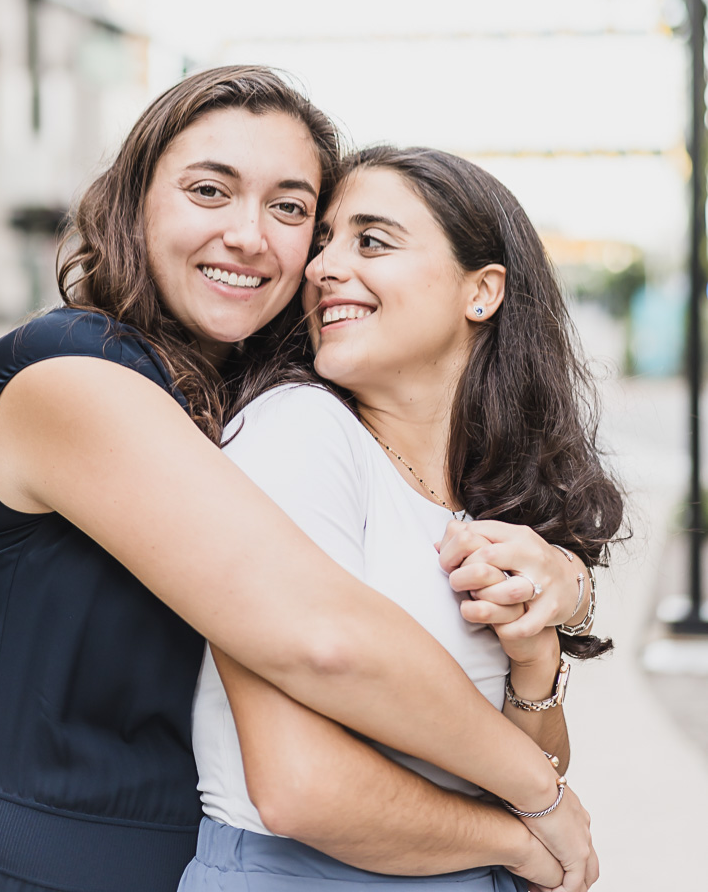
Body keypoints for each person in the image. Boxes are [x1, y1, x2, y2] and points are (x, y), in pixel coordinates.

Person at [0, 72, 596, 892]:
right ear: (135, 204)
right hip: (34, 871)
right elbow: (323, 636)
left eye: (290, 208)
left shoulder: (234, 395)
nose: (248, 236)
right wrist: (534, 807)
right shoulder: (69, 374)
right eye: (209, 190)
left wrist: (567, 587)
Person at [183, 145, 624, 892]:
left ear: (481, 292)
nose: (321, 268)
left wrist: (535, 660)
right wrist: (519, 840)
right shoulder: (300, 432)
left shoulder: (486, 491)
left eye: (371, 241)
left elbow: (527, 760)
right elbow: (301, 788)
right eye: (322, 241)